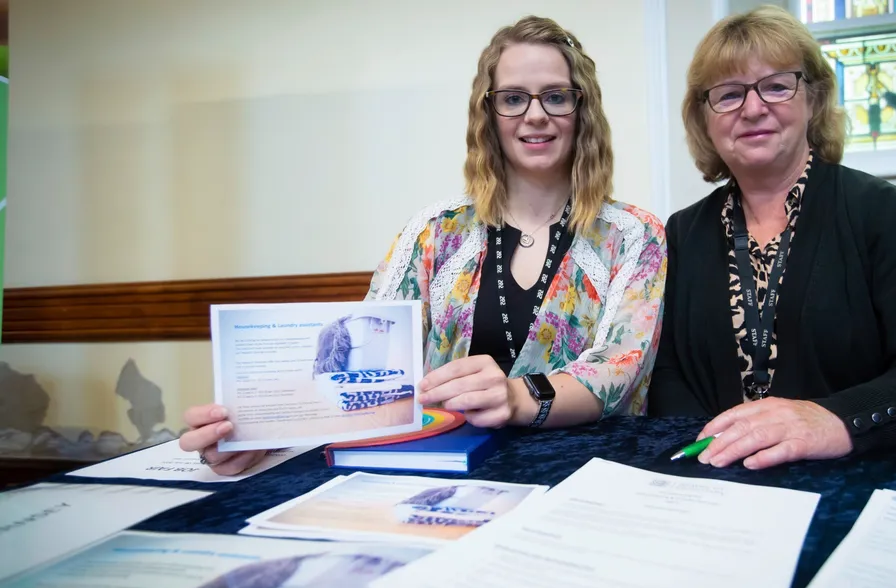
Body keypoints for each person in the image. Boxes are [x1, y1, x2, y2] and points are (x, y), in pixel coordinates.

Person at [181, 16, 667, 476]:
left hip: (581, 475)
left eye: (556, 97)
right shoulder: (434, 232)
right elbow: (369, 364)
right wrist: (265, 432)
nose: (535, 115)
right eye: (514, 98)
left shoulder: (634, 235)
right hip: (439, 473)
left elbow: (618, 368)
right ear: (488, 113)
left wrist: (516, 397)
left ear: (583, 110)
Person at [649, 6, 896, 470]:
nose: (753, 108)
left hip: (852, 474)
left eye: (776, 86)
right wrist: (711, 452)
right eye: (729, 94)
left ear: (814, 98)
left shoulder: (882, 210)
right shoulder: (681, 232)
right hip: (719, 479)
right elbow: (667, 371)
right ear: (703, 118)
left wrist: (837, 420)